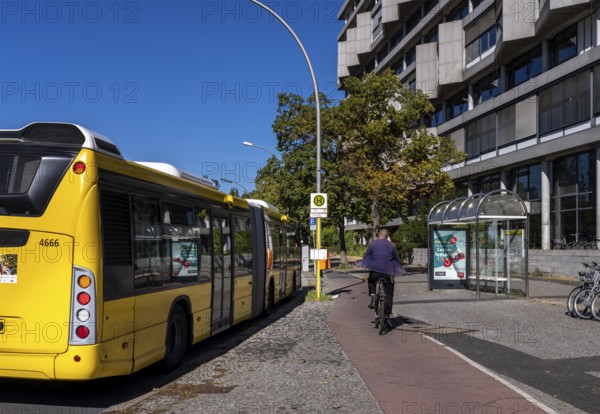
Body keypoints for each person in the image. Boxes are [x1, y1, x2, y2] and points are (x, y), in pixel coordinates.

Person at [357, 228, 405, 314]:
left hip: (375, 271)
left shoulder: (373, 244)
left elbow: (367, 255)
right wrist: (399, 266)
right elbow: (396, 259)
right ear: (387, 237)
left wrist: (366, 262)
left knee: (371, 280)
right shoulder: (392, 245)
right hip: (388, 272)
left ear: (379, 235)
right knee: (389, 293)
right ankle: (388, 313)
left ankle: (373, 296)